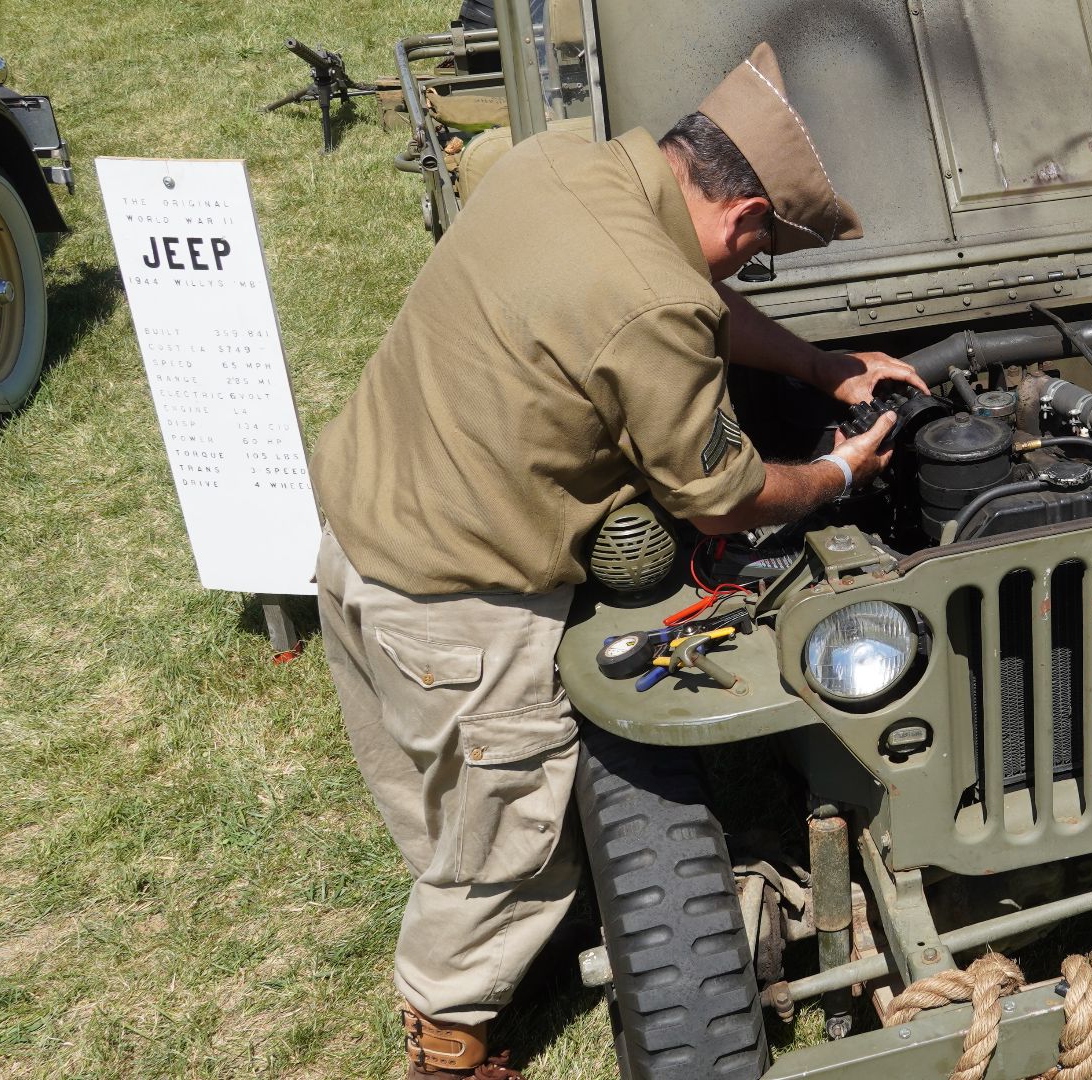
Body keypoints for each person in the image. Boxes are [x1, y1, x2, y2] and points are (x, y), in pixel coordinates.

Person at [310, 42, 921, 1079]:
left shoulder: (557, 165)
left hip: (363, 537)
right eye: (758, 253)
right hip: (463, 603)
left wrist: (820, 364)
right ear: (745, 218)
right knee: (511, 844)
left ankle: (466, 937)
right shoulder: (652, 297)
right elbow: (721, 490)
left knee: (441, 796)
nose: (744, 272)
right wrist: (837, 472)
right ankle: (450, 1039)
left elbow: (682, 292)